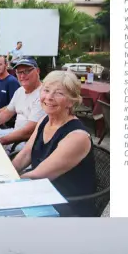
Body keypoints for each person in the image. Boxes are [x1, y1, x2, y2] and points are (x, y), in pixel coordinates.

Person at [12, 71, 96, 217]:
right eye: (46, 90)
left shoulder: (77, 137)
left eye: (58, 93)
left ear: (71, 101)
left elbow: (39, 176)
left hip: (66, 206)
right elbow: (24, 156)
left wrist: (3, 185)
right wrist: (3, 174)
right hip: (42, 193)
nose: (49, 97)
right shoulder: (45, 120)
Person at [0, 57, 45, 152]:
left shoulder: (44, 95)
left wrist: (1, 141)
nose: (22, 75)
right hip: (14, 133)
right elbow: (6, 114)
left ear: (37, 71)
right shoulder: (20, 91)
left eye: (27, 71)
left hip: (27, 143)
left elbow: (28, 131)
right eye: (19, 72)